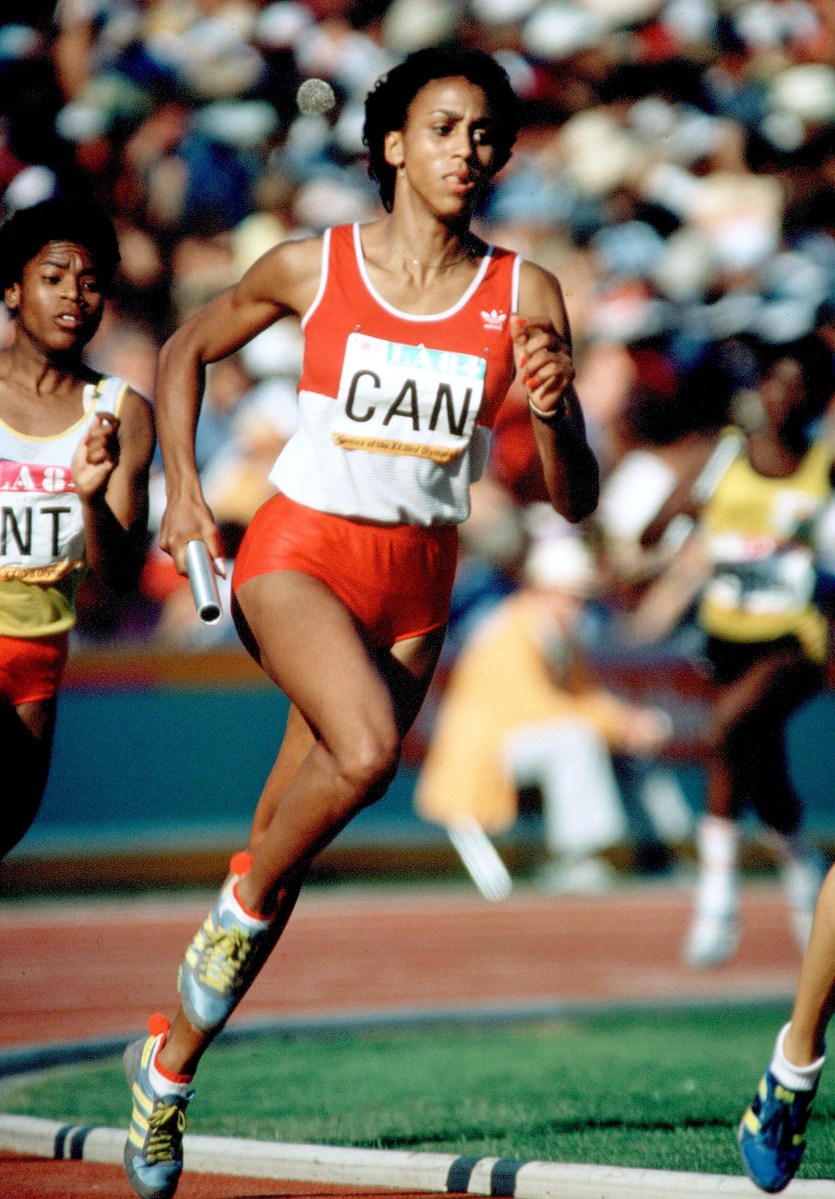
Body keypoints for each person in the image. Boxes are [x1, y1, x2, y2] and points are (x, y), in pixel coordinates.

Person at [123, 46, 599, 1199]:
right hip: (299, 548)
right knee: (371, 755)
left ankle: (167, 1065)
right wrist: (181, 490)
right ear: (393, 144)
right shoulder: (314, 265)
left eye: (484, 134)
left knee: (289, 839)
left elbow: (570, 493)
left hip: (417, 582)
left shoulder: (522, 295)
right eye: (442, 128)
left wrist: (554, 409)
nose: (465, 152)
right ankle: (226, 913)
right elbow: (186, 347)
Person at [639, 335, 835, 968]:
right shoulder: (723, 458)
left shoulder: (824, 468)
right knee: (755, 756)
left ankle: (717, 903)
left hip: (798, 639)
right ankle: (804, 868)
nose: (785, 398)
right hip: (727, 637)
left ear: (818, 399)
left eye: (800, 387)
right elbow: (652, 530)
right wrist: (702, 544)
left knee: (729, 731)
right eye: (776, 383)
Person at [0, 196, 155, 860]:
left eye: (90, 283)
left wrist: (91, 500)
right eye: (54, 277)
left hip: (38, 660)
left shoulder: (120, 413)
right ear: (11, 288)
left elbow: (119, 580)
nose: (75, 296)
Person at [415, 533, 674, 897]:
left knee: (628, 746)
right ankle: (577, 858)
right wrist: (619, 725)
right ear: (540, 590)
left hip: (520, 745)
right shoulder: (509, 630)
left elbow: (587, 696)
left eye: (583, 597)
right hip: (484, 756)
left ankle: (659, 850)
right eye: (569, 596)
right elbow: (533, 708)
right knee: (576, 742)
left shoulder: (557, 635)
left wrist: (631, 722)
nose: (578, 607)